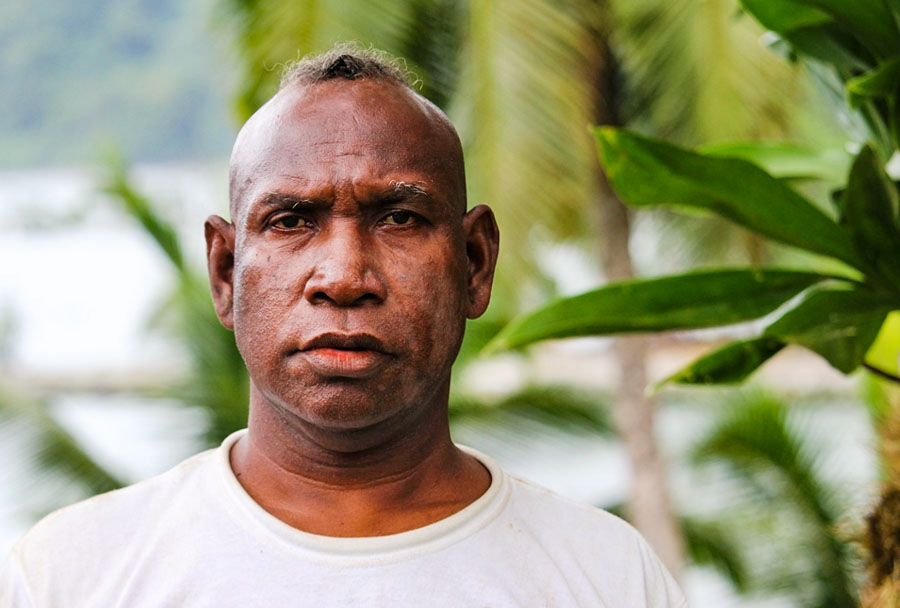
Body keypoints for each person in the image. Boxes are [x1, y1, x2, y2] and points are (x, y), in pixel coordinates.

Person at [0, 47, 686, 607]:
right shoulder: (71, 577)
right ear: (225, 271)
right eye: (292, 220)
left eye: (400, 217)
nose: (344, 276)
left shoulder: (609, 578)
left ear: (475, 264)